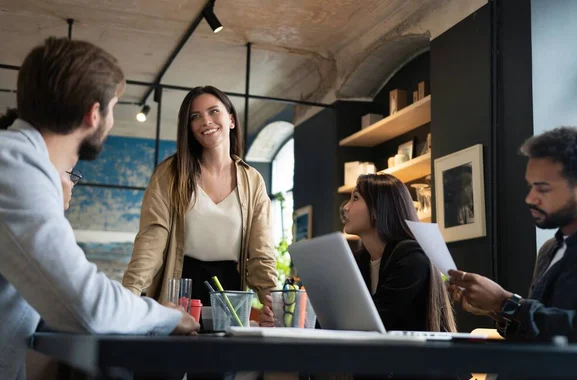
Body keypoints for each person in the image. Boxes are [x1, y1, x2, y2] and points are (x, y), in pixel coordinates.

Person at [0, 37, 199, 380]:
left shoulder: (19, 162)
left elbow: (53, 297)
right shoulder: (15, 165)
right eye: (113, 108)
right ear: (94, 114)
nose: (110, 121)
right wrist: (167, 317)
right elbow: (87, 307)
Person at [122, 86, 278, 309]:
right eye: (196, 116)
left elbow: (261, 251)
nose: (206, 121)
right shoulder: (170, 173)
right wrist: (129, 295)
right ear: (189, 128)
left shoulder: (253, 181)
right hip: (179, 290)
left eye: (214, 111)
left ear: (231, 119)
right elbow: (151, 239)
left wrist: (272, 304)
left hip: (231, 294)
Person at [449, 127, 577, 343]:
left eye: (543, 189)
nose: (530, 198)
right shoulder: (550, 249)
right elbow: (541, 332)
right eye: (530, 187)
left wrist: (505, 302)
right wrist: (496, 310)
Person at [261, 173, 456, 333]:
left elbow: (375, 322)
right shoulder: (359, 260)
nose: (346, 207)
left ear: (379, 209)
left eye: (355, 198)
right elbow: (331, 323)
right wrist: (286, 321)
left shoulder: (412, 256)